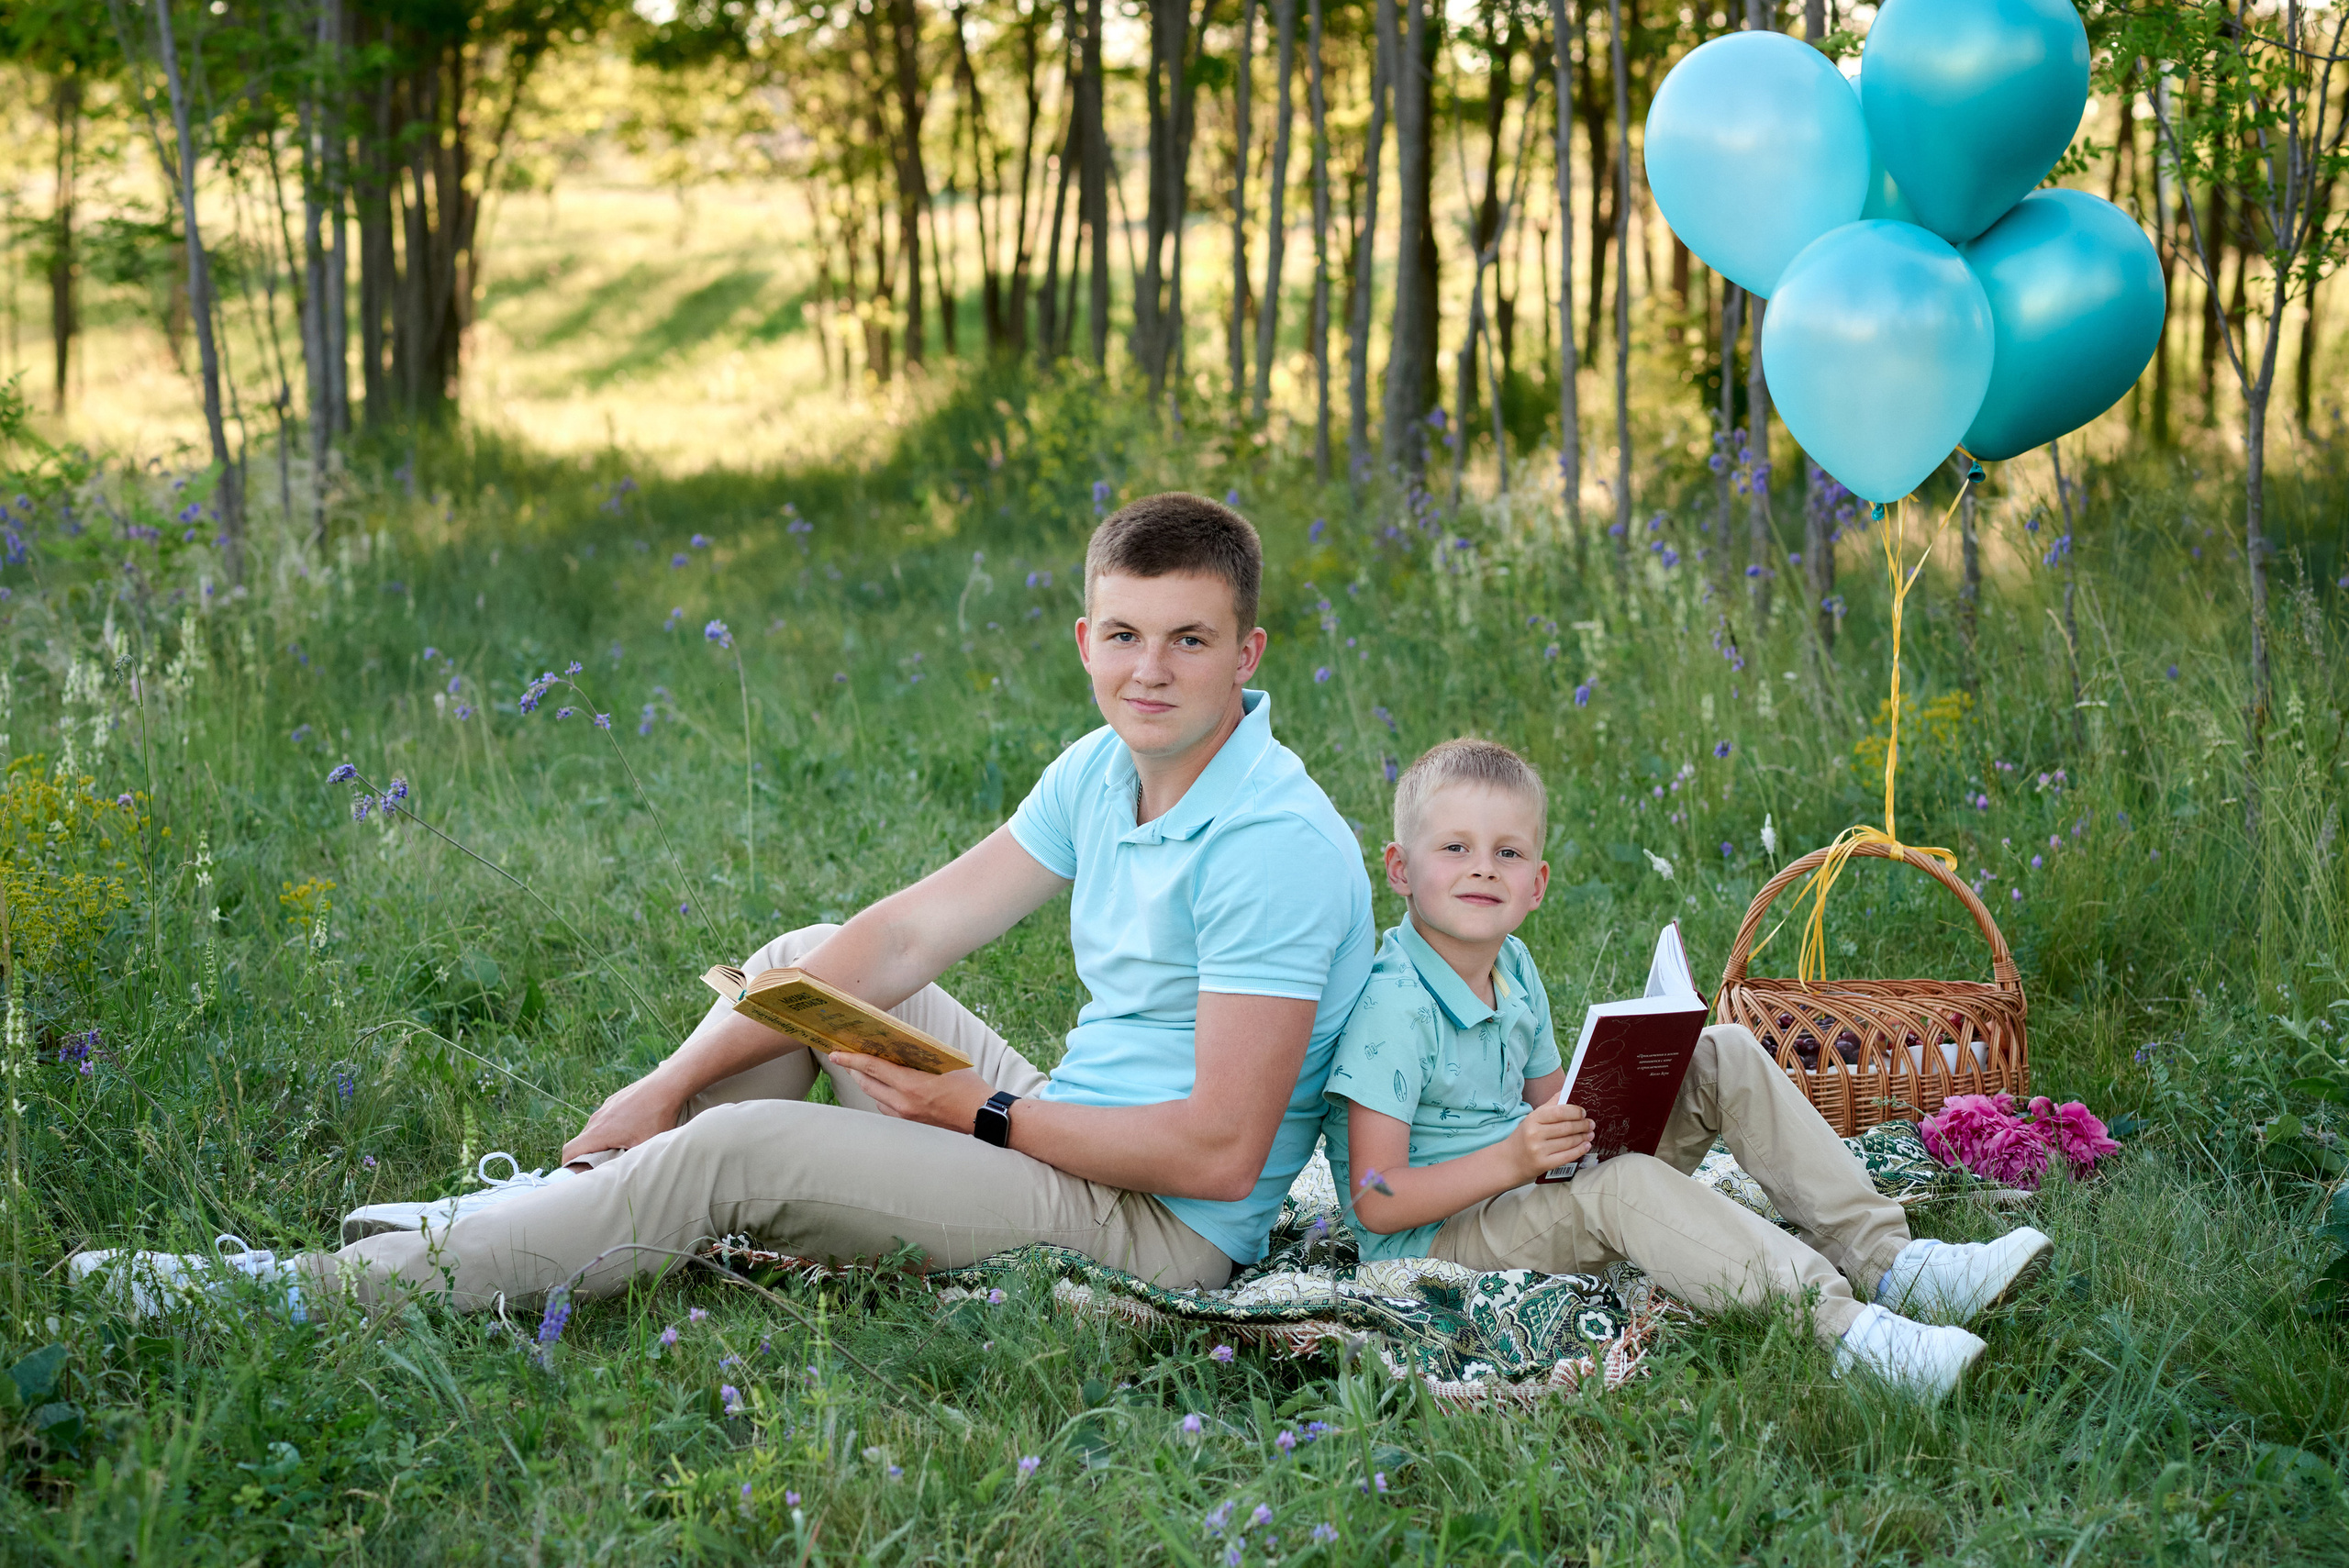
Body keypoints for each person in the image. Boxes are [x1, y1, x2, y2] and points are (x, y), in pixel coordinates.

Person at [74, 494, 1375, 1318]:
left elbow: (1214, 1155)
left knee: (738, 1153)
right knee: (811, 960)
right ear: (1084, 639)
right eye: (1125, 635)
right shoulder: (1104, 769)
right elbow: (906, 935)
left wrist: (982, 1111)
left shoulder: (1275, 844)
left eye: (1190, 640)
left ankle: (303, 1295)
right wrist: (664, 1080)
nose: (1151, 672)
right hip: (1063, 1131)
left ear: (1247, 653)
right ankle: (582, 1207)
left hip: (1154, 1232)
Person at [1321, 739, 2052, 1401]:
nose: (1483, 866)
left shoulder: (1511, 965)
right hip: (1441, 1237)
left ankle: (1895, 1262)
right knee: (1624, 1185)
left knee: (1724, 1052)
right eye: (1455, 846)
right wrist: (1516, 1156)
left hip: (1523, 1194)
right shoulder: (1397, 1006)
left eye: (1507, 853)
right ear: (1400, 869)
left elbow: (1556, 1108)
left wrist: (1635, 1076)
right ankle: (1851, 1337)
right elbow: (1376, 1200)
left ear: (1537, 883)